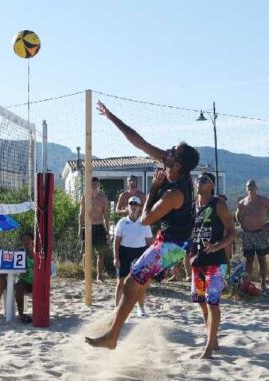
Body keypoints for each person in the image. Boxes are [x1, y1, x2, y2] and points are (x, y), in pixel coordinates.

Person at [85, 101, 199, 349]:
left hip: (172, 247)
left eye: (172, 152)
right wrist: (111, 117)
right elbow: (139, 141)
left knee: (129, 283)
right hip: (168, 240)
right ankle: (116, 330)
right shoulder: (175, 168)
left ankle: (113, 336)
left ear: (177, 165)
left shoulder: (173, 193)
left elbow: (145, 219)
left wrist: (154, 188)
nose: (167, 152)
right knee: (134, 284)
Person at [190, 172, 236, 359]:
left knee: (212, 302)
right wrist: (187, 256)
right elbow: (191, 234)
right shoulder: (193, 206)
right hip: (198, 260)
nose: (198, 183)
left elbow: (232, 232)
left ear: (212, 186)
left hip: (216, 261)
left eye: (203, 180)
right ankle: (213, 338)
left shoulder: (219, 205)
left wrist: (218, 245)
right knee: (201, 301)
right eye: (197, 179)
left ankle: (209, 347)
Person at [113, 196, 154, 317]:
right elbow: (116, 241)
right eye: (131, 204)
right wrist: (116, 257)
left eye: (136, 204)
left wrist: (150, 260)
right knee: (121, 282)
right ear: (128, 206)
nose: (133, 206)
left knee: (140, 284)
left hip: (140, 253)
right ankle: (117, 308)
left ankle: (140, 308)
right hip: (125, 252)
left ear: (140, 207)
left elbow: (150, 243)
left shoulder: (144, 223)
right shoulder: (122, 222)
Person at [236, 179, 269, 290]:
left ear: (256, 188)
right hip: (248, 234)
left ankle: (263, 283)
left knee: (262, 259)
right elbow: (237, 215)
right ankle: (248, 282)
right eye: (248, 186)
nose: (250, 188)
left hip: (260, 233)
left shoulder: (263, 200)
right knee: (249, 259)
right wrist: (241, 224)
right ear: (246, 188)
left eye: (252, 186)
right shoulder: (243, 202)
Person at [78, 177, 110, 281]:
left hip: (99, 226)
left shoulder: (103, 198)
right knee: (86, 253)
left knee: (100, 253)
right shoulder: (85, 198)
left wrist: (107, 231)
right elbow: (81, 214)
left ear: (99, 184)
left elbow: (106, 216)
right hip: (88, 227)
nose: (94, 185)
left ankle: (99, 276)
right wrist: (80, 229)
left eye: (96, 183)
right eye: (92, 184)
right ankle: (87, 276)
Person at [15, 232, 35, 323]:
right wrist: (20, 273)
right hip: (25, 282)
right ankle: (21, 313)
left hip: (37, 281)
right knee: (18, 286)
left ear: (33, 241)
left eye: (28, 239)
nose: (26, 241)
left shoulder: (39, 253)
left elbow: (52, 268)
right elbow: (16, 269)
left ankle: (38, 312)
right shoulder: (19, 254)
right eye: (23, 240)